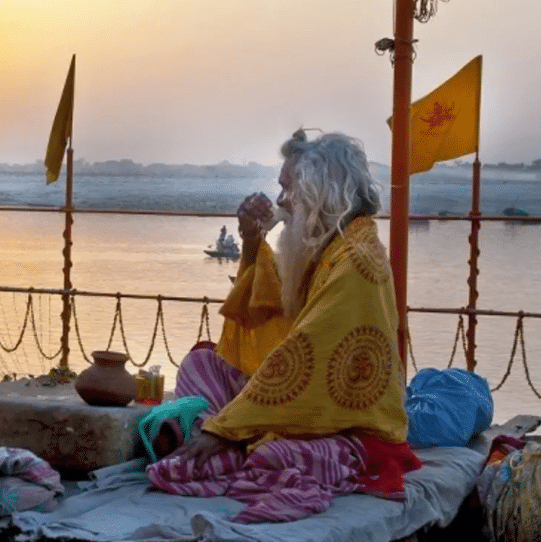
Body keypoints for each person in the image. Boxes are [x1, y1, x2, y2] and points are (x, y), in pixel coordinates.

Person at [147, 130, 420, 523]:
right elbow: (274, 315)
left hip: (353, 434)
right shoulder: (328, 248)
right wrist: (253, 240)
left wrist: (224, 428)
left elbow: (304, 355)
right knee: (201, 363)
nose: (280, 201)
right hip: (299, 411)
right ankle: (222, 446)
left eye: (287, 188)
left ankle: (220, 447)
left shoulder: (357, 261)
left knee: (271, 455)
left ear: (320, 192)